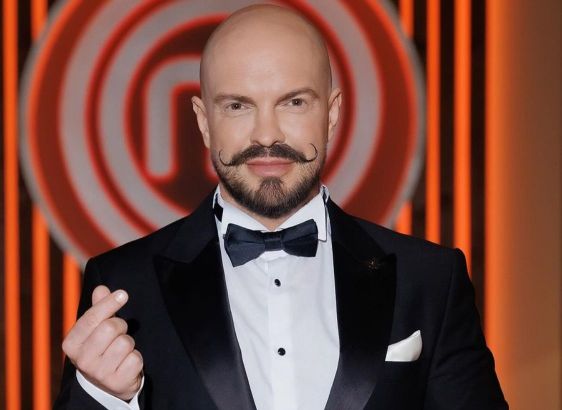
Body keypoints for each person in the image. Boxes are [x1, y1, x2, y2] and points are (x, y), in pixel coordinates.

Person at [54, 4, 507, 409]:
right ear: (204, 121)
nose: (266, 135)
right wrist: (107, 399)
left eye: (293, 102)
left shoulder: (429, 280)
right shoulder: (124, 285)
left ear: (331, 114)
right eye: (238, 106)